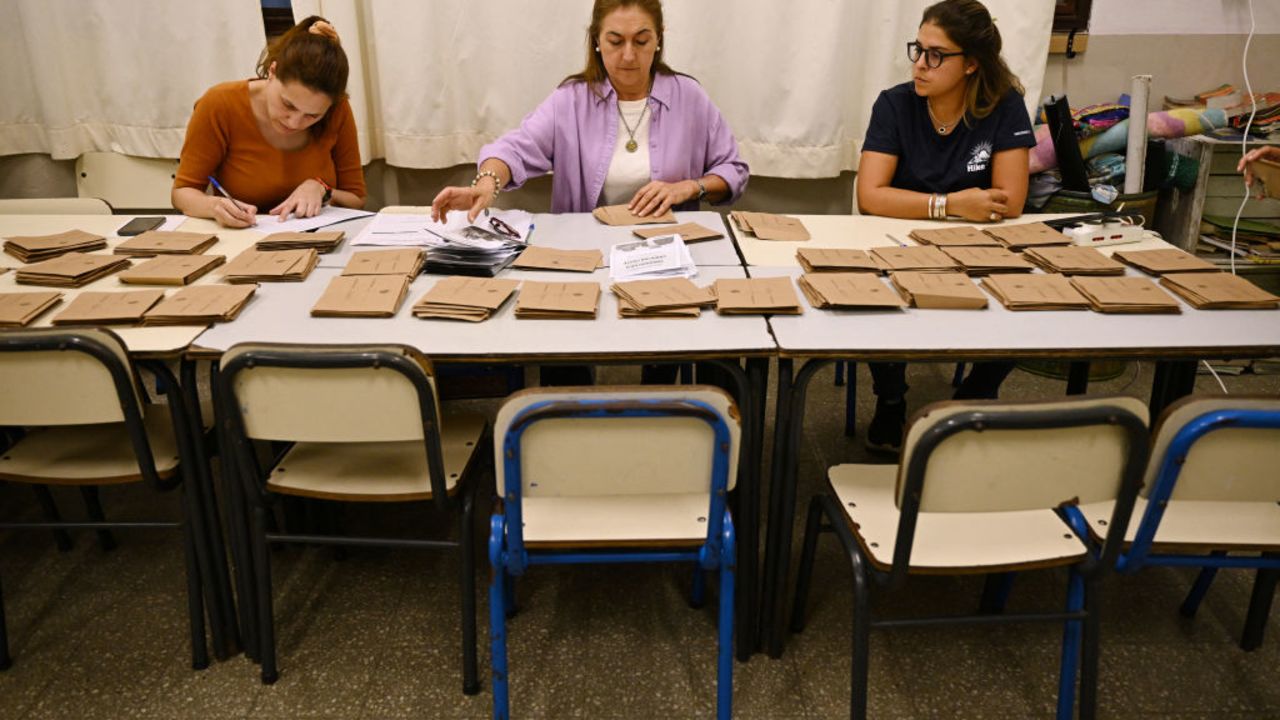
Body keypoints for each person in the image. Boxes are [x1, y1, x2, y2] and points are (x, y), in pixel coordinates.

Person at [431, 0, 748, 386]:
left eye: (641, 41)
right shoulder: (572, 99)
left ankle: (668, 404)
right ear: (596, 42)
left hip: (665, 251)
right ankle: (569, 416)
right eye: (615, 41)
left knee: (698, 340)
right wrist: (486, 183)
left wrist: (691, 186)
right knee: (563, 343)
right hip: (587, 252)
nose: (628, 55)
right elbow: (515, 147)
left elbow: (733, 170)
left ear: (658, 42)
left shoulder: (688, 97)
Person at [855, 0, 1035, 453]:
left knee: (1029, 294)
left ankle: (976, 392)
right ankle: (892, 399)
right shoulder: (895, 104)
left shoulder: (1005, 106)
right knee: (873, 292)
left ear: (971, 63)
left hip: (978, 243)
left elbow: (1010, 199)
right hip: (900, 239)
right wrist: (950, 204)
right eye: (918, 49)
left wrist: (946, 209)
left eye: (935, 55)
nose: (920, 64)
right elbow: (870, 195)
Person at [172, 16, 366, 228]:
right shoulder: (220, 103)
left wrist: (322, 189)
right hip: (242, 238)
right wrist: (213, 206)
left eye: (312, 116)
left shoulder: (338, 109)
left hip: (320, 238)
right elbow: (182, 192)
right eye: (288, 105)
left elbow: (355, 198)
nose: (294, 122)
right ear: (272, 72)